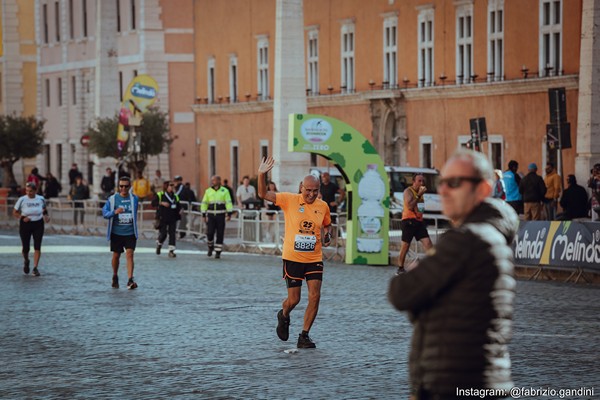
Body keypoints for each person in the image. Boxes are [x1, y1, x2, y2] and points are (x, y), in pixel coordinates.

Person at [388, 150, 518, 399]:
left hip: (454, 379)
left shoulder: (466, 240)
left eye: (455, 183)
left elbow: (401, 294)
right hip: (482, 377)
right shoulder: (493, 236)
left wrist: (415, 274)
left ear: (482, 189)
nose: (444, 190)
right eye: (442, 182)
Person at [258, 156, 332, 349]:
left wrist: (328, 234)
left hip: (314, 257)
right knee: (294, 299)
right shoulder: (289, 200)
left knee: (315, 296)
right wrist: (261, 174)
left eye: (315, 191)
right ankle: (284, 314)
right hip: (293, 257)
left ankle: (304, 335)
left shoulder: (322, 206)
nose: (311, 194)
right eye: (308, 190)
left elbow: (327, 225)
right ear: (301, 188)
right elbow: (263, 193)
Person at [102, 176, 139, 289]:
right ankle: (115, 275)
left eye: (126, 186)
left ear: (129, 186)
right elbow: (105, 213)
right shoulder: (112, 199)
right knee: (116, 255)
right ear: (118, 186)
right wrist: (114, 212)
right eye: (121, 186)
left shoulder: (134, 199)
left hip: (130, 232)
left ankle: (130, 280)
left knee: (130, 254)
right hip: (116, 233)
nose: (123, 188)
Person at [396, 173, 433, 275]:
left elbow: (420, 207)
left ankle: (433, 266)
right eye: (419, 181)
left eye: (423, 181)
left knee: (428, 243)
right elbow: (409, 206)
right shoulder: (408, 191)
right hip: (408, 221)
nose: (422, 183)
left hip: (419, 222)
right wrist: (419, 195)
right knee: (405, 246)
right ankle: (400, 268)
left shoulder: (421, 193)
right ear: (414, 182)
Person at [13, 182, 50, 276]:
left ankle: (35, 268)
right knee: (26, 248)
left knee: (37, 246)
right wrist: (22, 217)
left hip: (38, 223)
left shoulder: (41, 198)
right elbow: (15, 212)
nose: (28, 193)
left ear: (35, 191)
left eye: (31, 191)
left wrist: (46, 216)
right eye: (27, 191)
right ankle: (26, 260)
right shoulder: (22, 199)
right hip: (25, 224)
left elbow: (44, 209)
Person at [200, 175, 234, 259]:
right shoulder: (208, 191)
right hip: (211, 215)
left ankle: (218, 252)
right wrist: (204, 214)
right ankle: (210, 247)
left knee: (220, 233)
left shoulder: (225, 191)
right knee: (210, 233)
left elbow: (228, 202)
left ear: (219, 181)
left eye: (214, 180)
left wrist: (229, 214)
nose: (212, 182)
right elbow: (204, 203)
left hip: (221, 215)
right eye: (212, 180)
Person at [152, 180, 182, 258]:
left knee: (172, 234)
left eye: (173, 185)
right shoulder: (160, 195)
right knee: (164, 234)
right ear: (166, 187)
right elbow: (153, 203)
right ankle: (159, 243)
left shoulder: (175, 196)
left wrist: (181, 210)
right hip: (163, 217)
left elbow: (178, 205)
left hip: (173, 218)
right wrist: (161, 203)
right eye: (170, 185)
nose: (172, 187)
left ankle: (171, 251)